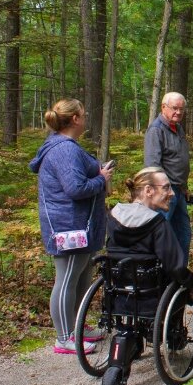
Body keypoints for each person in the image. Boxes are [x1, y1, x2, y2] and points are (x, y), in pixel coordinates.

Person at [30, 99, 113, 355]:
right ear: (75, 119)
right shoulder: (63, 149)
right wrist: (101, 179)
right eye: (84, 115)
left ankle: (77, 327)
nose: (86, 118)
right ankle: (64, 337)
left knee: (80, 278)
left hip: (80, 225)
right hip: (68, 227)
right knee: (66, 279)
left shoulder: (67, 146)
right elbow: (75, 188)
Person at [106, 167, 193, 298]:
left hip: (119, 292)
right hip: (153, 294)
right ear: (148, 191)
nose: (172, 193)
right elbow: (175, 267)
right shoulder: (158, 224)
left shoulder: (113, 217)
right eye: (166, 188)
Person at [144, 92, 192, 266]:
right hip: (163, 193)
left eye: (181, 109)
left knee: (183, 235)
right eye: (174, 108)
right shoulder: (156, 130)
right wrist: (164, 190)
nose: (178, 112)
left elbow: (179, 160)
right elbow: (152, 165)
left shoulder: (178, 128)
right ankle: (156, 277)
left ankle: (179, 278)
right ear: (163, 107)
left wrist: (184, 187)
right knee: (161, 236)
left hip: (178, 191)